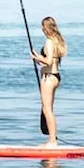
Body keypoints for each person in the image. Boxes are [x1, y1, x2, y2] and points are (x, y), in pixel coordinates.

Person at [30, 16, 67, 147]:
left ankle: (52, 141)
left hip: (49, 78)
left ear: (46, 27)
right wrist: (38, 59)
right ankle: (52, 139)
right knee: (48, 109)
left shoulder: (49, 42)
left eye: (42, 26)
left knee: (47, 109)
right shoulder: (57, 41)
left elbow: (49, 61)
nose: (41, 28)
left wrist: (37, 57)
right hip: (55, 76)